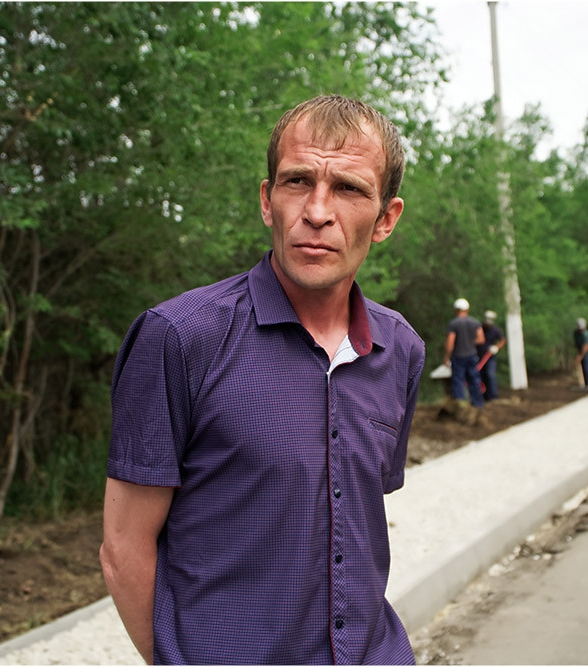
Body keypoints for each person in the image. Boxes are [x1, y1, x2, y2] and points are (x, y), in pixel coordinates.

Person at [100, 95, 425, 665]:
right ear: (267, 200)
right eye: (298, 181)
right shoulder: (178, 338)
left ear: (385, 219)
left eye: (348, 188)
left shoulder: (400, 349)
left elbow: (358, 521)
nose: (317, 211)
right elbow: (123, 547)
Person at [444, 297, 485, 407]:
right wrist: (470, 342)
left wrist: (447, 357)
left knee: (458, 381)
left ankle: (460, 406)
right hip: (472, 356)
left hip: (458, 357)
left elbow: (450, 343)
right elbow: (481, 339)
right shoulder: (474, 322)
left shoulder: (454, 324)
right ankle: (478, 405)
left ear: (456, 310)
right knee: (474, 380)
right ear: (467, 309)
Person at [480, 310, 506, 401]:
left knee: (490, 374)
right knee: (480, 376)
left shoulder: (495, 330)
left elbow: (502, 340)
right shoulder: (479, 328)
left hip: (489, 357)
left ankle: (493, 396)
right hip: (478, 357)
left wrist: (496, 347)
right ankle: (482, 396)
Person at [573, 317, 588, 389]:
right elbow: (576, 343)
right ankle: (583, 384)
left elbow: (586, 346)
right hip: (580, 353)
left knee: (587, 370)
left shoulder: (586, 334)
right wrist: (578, 354)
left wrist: (580, 356)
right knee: (581, 370)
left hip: (587, 354)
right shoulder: (576, 333)